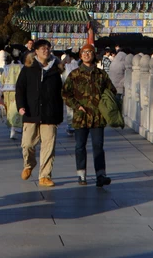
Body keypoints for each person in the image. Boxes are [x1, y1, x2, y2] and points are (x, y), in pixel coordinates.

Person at [62, 43, 115, 187]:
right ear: (80, 55)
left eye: (89, 52)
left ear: (94, 55)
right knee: (80, 145)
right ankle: (81, 174)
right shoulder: (75, 74)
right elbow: (65, 94)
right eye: (84, 52)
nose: (86, 54)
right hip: (81, 116)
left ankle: (101, 175)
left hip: (98, 116)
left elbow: (111, 91)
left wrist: (107, 105)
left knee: (98, 146)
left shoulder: (101, 75)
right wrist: (76, 106)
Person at [15, 39, 64, 187]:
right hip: (31, 111)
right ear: (35, 51)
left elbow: (59, 93)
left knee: (49, 146)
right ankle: (29, 164)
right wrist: (21, 106)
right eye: (42, 48)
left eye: (48, 48)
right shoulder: (28, 68)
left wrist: (59, 114)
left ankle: (45, 176)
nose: (45, 50)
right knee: (27, 143)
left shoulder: (56, 70)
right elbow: (20, 89)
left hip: (50, 113)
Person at [0, 49, 24, 139]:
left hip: (8, 92)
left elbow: (2, 80)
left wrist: (0, 91)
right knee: (19, 109)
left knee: (10, 111)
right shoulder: (23, 67)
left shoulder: (7, 67)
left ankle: (12, 128)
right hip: (20, 91)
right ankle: (18, 127)